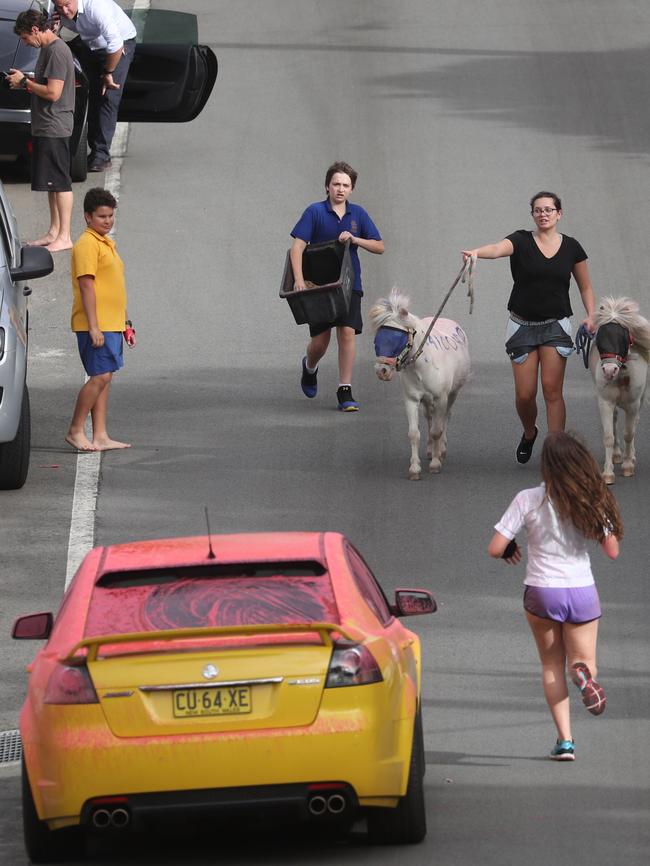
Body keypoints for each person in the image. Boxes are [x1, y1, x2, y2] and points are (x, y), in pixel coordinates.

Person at [488, 431, 622, 761]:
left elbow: (495, 547)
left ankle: (565, 742)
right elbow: (613, 551)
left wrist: (510, 549)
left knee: (550, 665)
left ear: (546, 467)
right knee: (583, 663)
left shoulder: (528, 498)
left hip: (542, 592)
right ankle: (583, 677)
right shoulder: (590, 498)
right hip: (580, 591)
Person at [462, 191, 596, 463]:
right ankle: (529, 431)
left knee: (551, 389)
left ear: (559, 213)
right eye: (538, 210)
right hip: (521, 325)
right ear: (532, 214)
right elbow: (498, 249)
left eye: (549, 209)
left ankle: (556, 453)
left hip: (555, 325)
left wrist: (591, 315)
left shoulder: (572, 247)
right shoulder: (521, 240)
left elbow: (586, 286)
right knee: (525, 395)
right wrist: (477, 253)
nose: (543, 214)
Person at [290, 161, 384, 411]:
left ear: (351, 189)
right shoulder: (315, 212)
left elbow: (379, 246)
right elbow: (297, 247)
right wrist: (299, 280)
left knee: (346, 332)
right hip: (319, 287)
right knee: (320, 343)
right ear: (327, 186)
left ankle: (345, 390)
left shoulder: (359, 215)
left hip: (348, 285)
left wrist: (355, 239)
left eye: (346, 185)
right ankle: (309, 367)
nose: (340, 189)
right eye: (336, 184)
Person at [66, 187, 136, 452]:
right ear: (87, 217)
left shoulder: (105, 243)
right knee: (100, 376)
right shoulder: (87, 244)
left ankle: (101, 435)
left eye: (110, 216)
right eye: (101, 216)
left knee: (105, 377)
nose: (107, 221)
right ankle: (75, 430)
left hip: (112, 323)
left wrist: (126, 323)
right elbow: (87, 286)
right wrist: (94, 326)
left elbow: (114, 288)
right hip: (95, 325)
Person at [8, 9, 74, 252]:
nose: (26, 42)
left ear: (35, 30)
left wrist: (25, 83)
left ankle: (65, 236)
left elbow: (54, 93)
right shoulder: (48, 49)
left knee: (60, 182)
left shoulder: (56, 50)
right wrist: (28, 79)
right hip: (46, 124)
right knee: (51, 182)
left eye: (25, 37)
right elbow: (46, 84)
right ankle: (54, 232)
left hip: (54, 124)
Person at [53, 0, 137, 172]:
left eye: (67, 5)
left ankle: (101, 154)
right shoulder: (55, 9)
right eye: (59, 6)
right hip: (90, 44)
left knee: (107, 96)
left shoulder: (97, 8)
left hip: (119, 45)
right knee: (91, 94)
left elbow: (115, 45)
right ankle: (89, 145)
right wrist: (54, 28)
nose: (64, 10)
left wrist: (107, 73)